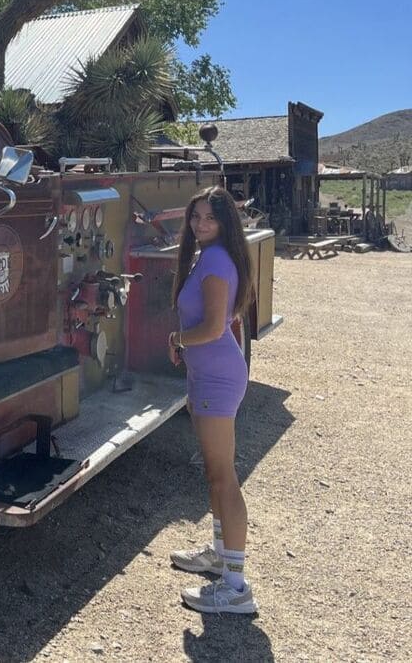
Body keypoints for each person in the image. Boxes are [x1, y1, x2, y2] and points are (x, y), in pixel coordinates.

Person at [167, 186, 257, 614]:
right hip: (207, 375)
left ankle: (236, 586)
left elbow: (213, 328)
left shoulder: (217, 259)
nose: (200, 224)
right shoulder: (210, 255)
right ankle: (221, 555)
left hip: (218, 377)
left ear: (225, 223)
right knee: (214, 474)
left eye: (210, 218)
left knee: (224, 476)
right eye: (196, 216)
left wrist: (177, 339)